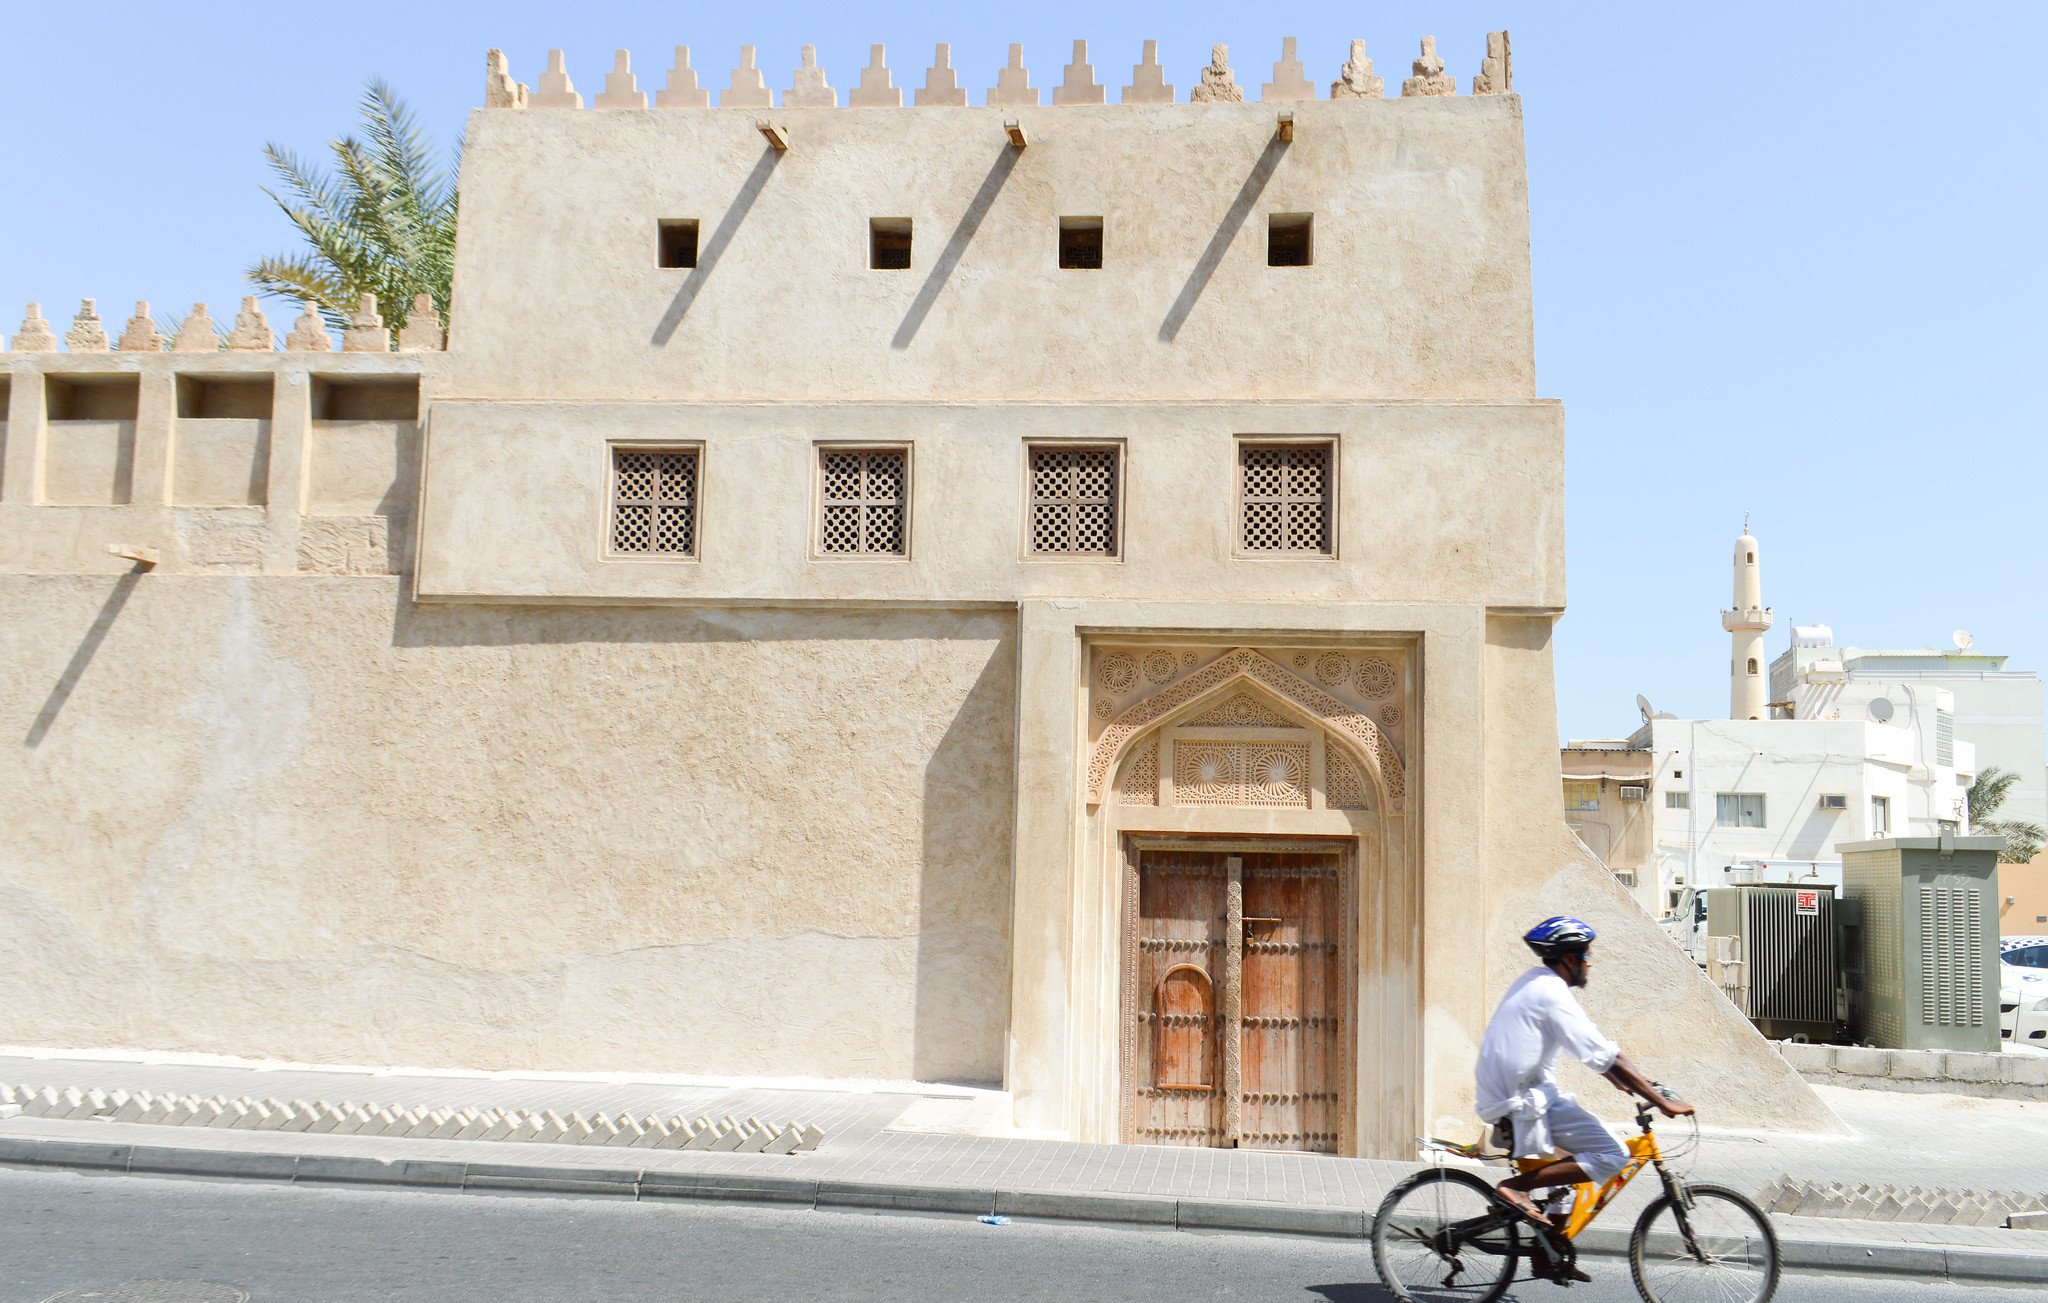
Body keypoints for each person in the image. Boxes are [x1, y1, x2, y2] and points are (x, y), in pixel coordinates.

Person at [1476, 916, 1693, 1274]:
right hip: (1521, 1100)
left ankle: (1548, 1259)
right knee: (1612, 1156)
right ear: (1568, 959)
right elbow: (1606, 1055)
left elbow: (1600, 1058)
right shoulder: (1552, 995)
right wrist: (1662, 1102)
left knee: (1569, 1175)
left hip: (1517, 1093)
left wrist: (1637, 1083)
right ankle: (1514, 1189)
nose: (1590, 960)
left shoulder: (1537, 982)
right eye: (1585, 953)